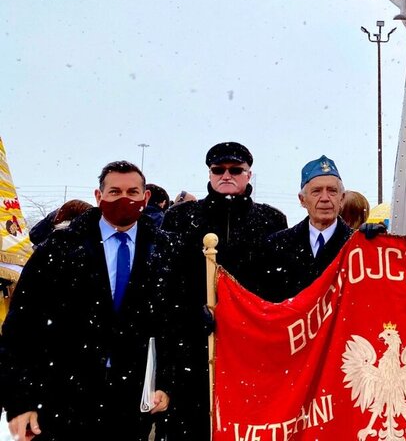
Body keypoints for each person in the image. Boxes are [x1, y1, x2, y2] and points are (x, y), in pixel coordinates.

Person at [0, 161, 173, 440]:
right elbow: (22, 326)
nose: (124, 199)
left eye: (133, 191)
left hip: (133, 401)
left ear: (146, 197)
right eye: (114, 191)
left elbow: (177, 326)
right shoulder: (59, 249)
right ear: (98, 196)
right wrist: (20, 400)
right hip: (62, 396)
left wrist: (166, 382)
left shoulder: (168, 251)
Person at [160, 141, 287, 441]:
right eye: (219, 170)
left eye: (235, 170)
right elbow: (165, 279)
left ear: (248, 174)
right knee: (190, 420)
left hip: (248, 341)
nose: (226, 175)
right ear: (209, 173)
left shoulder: (271, 221)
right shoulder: (181, 218)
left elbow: (279, 283)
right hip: (192, 342)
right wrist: (189, 313)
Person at [254, 155, 353, 303]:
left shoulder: (357, 246)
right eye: (316, 191)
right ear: (302, 200)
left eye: (332, 191)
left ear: (342, 198)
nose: (325, 198)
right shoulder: (276, 246)